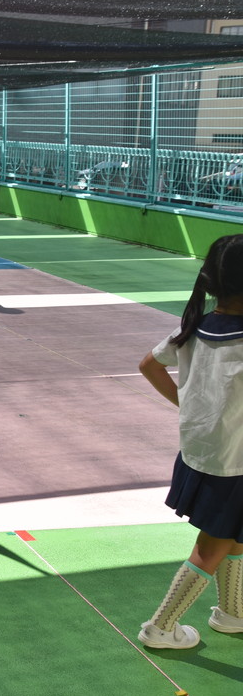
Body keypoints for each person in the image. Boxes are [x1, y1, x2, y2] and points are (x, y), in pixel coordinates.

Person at [137, 234, 243, 649]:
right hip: (234, 462)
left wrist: (191, 406)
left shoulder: (195, 327)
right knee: (211, 546)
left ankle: (232, 612)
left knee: (232, 536)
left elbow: (149, 365)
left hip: (202, 453)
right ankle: (161, 627)